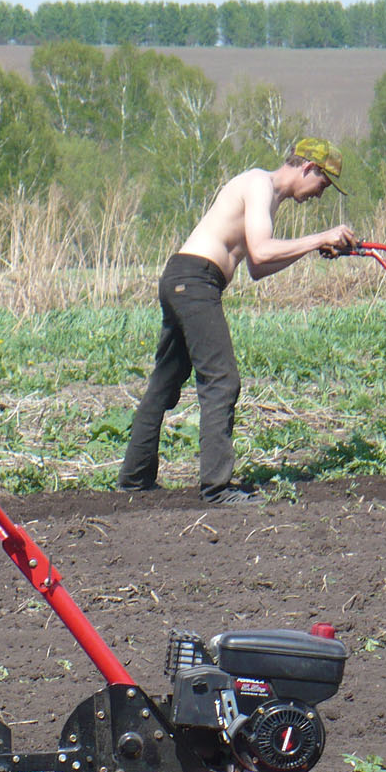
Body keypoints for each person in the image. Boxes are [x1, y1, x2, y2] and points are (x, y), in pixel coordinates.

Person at [118, 138, 356, 504]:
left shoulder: (267, 197)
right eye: (322, 184)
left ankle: (134, 481)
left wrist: (311, 246)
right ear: (308, 168)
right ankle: (216, 488)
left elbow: (258, 267)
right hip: (195, 281)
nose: (319, 195)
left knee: (166, 381)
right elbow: (261, 250)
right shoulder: (258, 184)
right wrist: (320, 236)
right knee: (222, 380)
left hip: (184, 278)